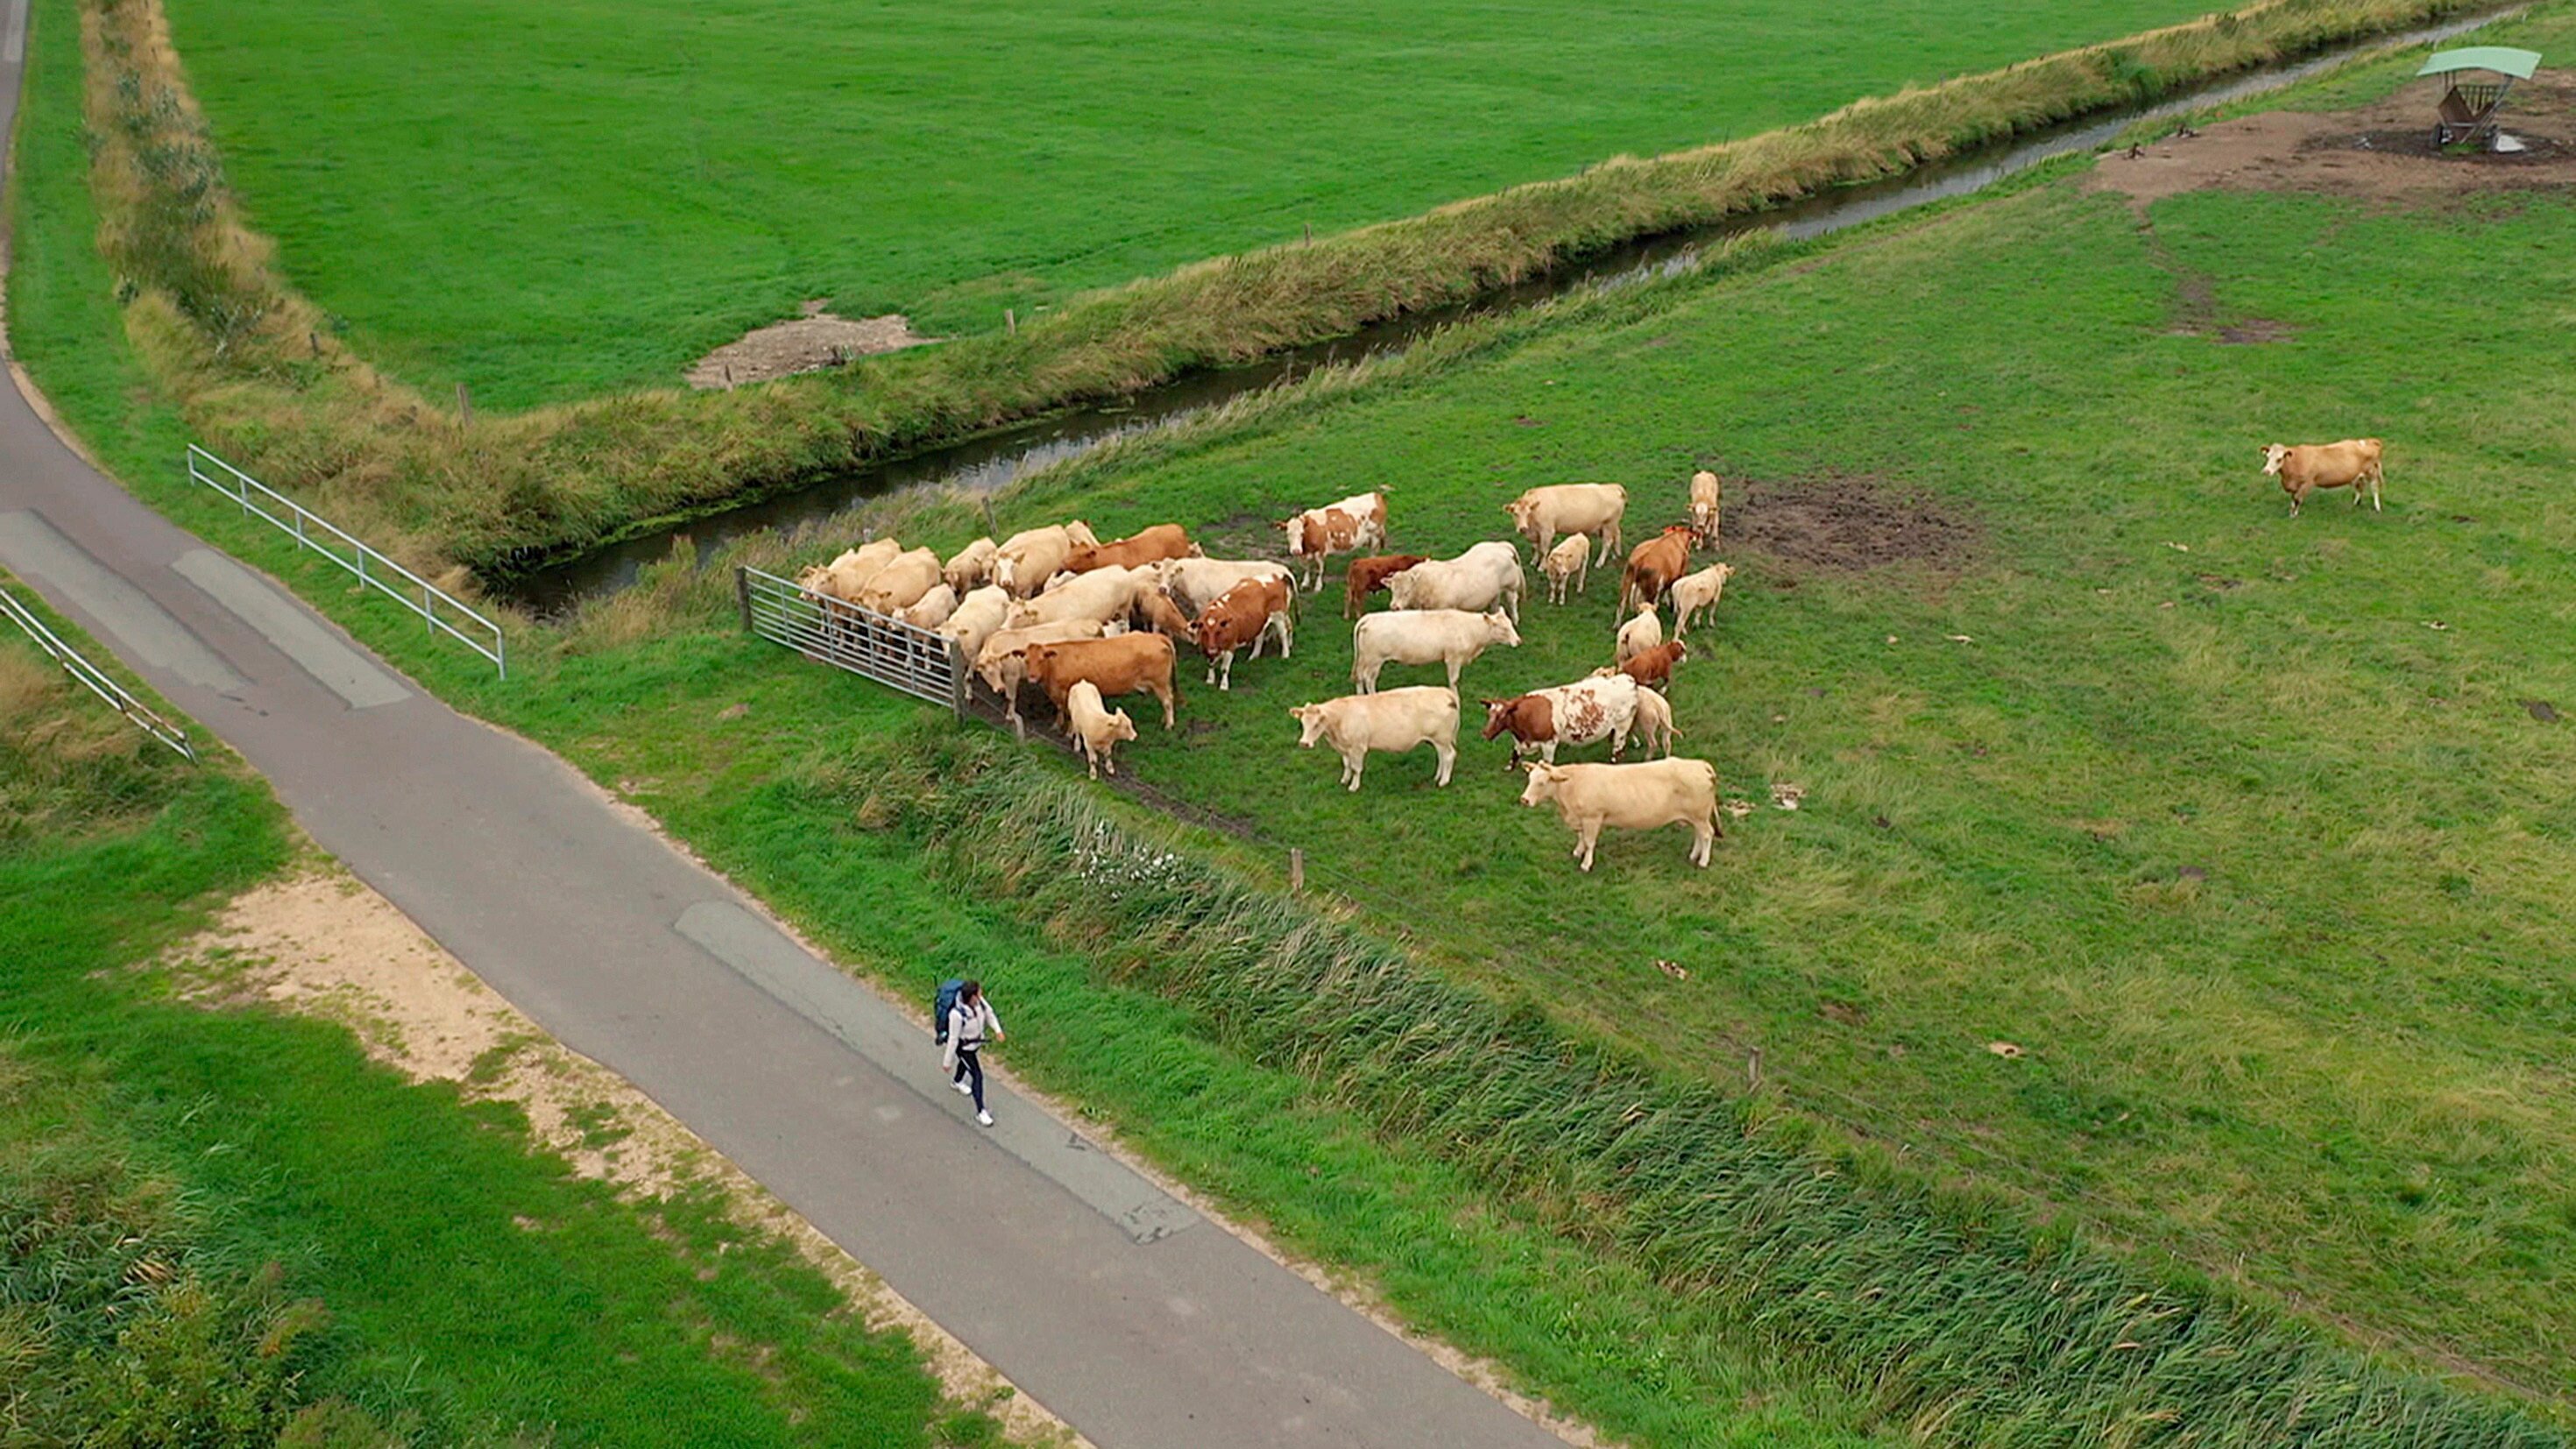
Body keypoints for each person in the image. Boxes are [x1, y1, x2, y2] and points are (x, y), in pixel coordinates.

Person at [944, 979, 1004, 1126]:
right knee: (977, 1076)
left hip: (975, 1044)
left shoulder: (980, 1003)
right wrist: (947, 1062)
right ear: (972, 997)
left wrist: (998, 1030)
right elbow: (953, 1039)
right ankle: (981, 1111)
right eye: (979, 993)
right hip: (964, 1049)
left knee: (966, 1066)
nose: (981, 994)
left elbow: (989, 1013)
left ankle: (957, 1081)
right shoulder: (957, 1015)